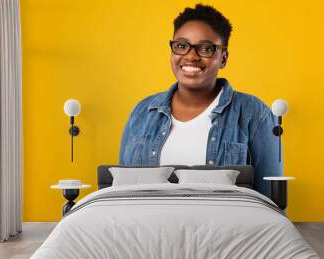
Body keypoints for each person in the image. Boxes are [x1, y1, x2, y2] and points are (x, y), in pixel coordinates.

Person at [119, 4, 283, 198]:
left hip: (226, 228)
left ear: (223, 58)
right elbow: (121, 193)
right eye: (181, 46)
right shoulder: (142, 112)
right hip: (148, 229)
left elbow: (271, 200)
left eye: (206, 48)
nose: (191, 56)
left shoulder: (255, 114)